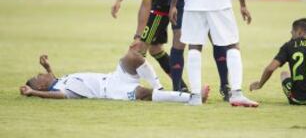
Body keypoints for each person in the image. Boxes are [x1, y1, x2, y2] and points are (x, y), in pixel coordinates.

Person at [131, 0, 231, 98]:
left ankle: (225, 86)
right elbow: (146, 3)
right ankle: (178, 89)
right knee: (178, 38)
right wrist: (138, 34)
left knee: (215, 37)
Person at [20, 53, 210, 103]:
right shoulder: (59, 91)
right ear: (41, 87)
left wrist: (48, 67)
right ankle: (194, 97)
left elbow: (53, 79)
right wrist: (33, 92)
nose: (40, 75)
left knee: (132, 56)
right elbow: (57, 94)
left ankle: (160, 87)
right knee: (144, 93)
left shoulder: (57, 81)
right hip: (111, 91)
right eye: (37, 78)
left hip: (113, 77)